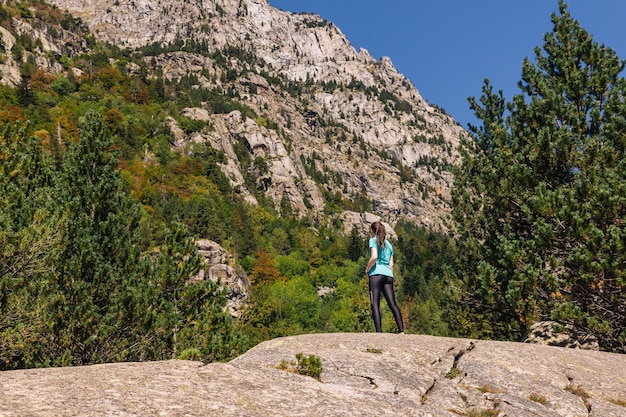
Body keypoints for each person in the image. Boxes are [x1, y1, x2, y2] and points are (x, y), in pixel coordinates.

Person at [365, 221, 404, 334]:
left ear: (372, 231)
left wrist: (367, 270)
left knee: (375, 303)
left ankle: (379, 332)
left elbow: (374, 257)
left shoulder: (373, 240)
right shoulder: (389, 245)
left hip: (376, 274)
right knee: (392, 303)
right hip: (388, 276)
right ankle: (401, 330)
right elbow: (391, 264)